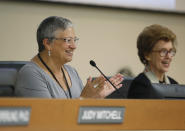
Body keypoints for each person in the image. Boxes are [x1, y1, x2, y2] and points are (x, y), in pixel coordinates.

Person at [15, 16, 123, 99]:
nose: (74, 46)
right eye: (67, 40)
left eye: (74, 40)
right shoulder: (30, 74)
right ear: (47, 43)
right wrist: (84, 99)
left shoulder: (72, 72)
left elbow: (82, 116)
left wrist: (97, 97)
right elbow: (46, 118)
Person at [127, 24, 178, 99]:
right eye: (163, 51)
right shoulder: (140, 86)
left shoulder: (174, 85)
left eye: (171, 51)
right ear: (147, 55)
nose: (168, 56)